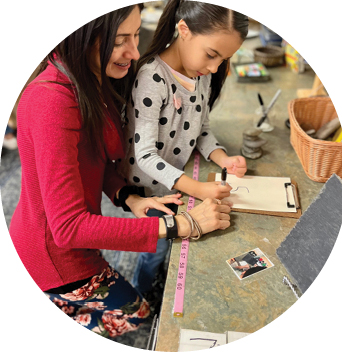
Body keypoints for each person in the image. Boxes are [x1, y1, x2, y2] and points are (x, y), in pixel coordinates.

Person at [9, 3, 232, 341]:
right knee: (138, 319)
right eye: (120, 40)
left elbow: (94, 161)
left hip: (75, 239)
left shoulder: (89, 79)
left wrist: (128, 197)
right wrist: (182, 224)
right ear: (83, 35)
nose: (135, 51)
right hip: (53, 253)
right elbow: (69, 229)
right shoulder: (52, 102)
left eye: (135, 35)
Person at [118, 0, 249, 295]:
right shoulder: (152, 77)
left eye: (223, 59)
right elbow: (145, 156)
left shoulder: (201, 73)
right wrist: (198, 189)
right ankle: (143, 293)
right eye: (212, 55)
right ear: (184, 30)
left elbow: (201, 129)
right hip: (147, 190)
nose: (215, 67)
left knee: (171, 245)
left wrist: (223, 157)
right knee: (154, 248)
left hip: (175, 182)